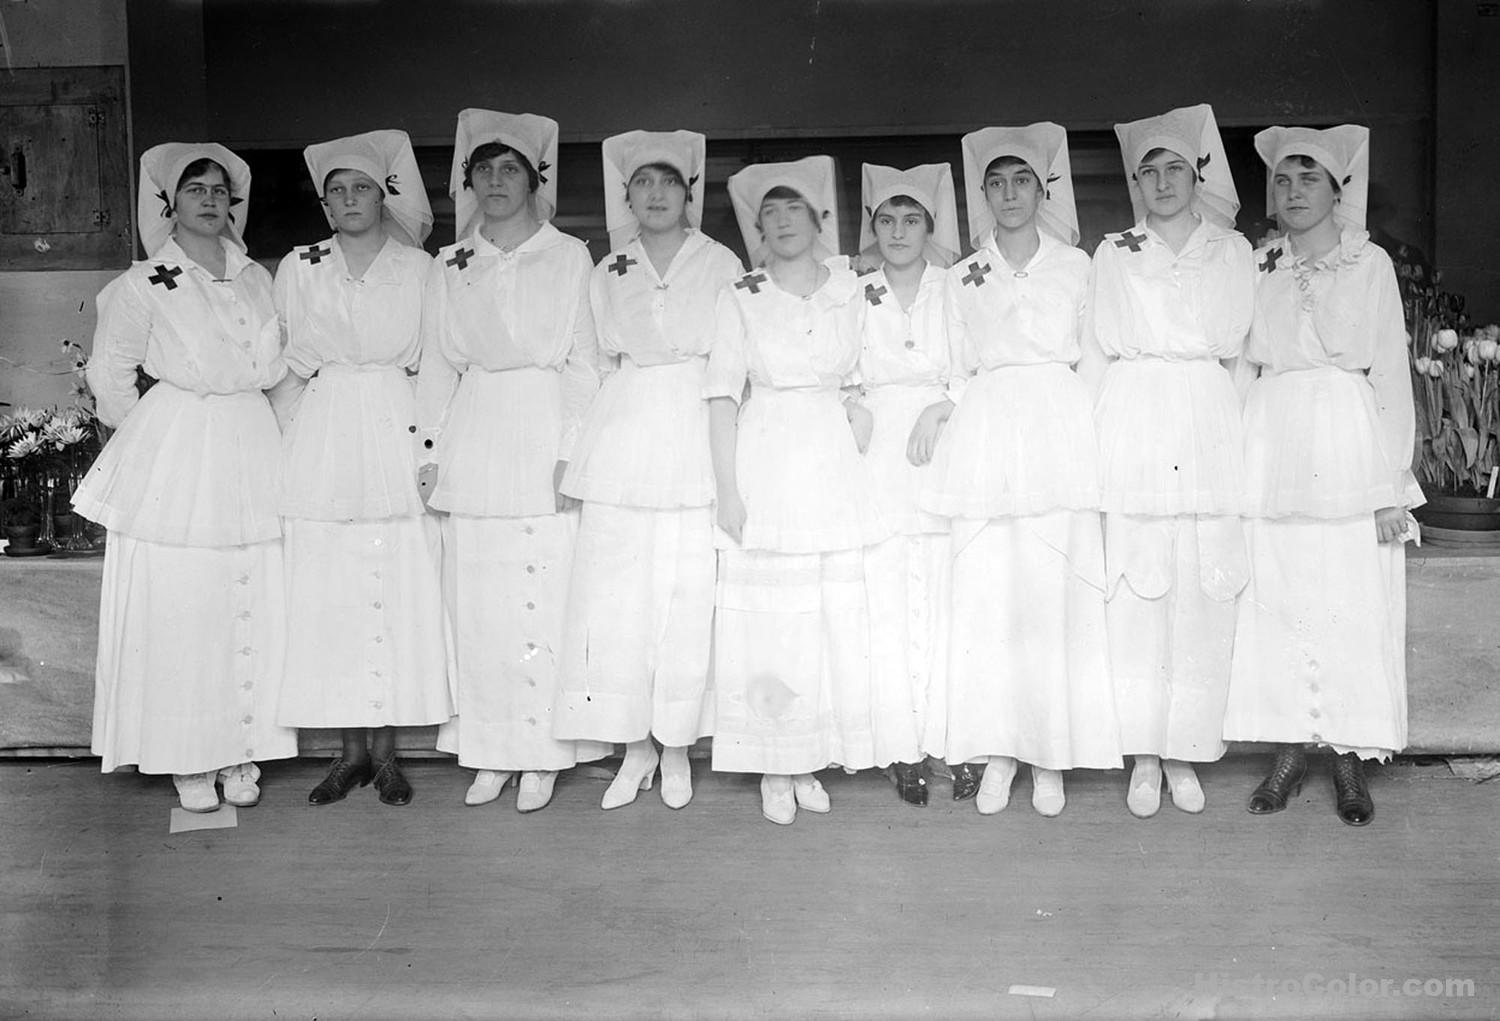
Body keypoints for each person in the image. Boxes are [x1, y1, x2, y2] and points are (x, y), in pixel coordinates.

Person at [75, 143, 297, 811]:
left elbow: (280, 369)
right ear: (169, 203)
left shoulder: (257, 278)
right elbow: (109, 374)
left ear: (233, 201)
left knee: (249, 596)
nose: (208, 198)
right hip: (182, 443)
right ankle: (188, 756)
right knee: (185, 607)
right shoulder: (146, 281)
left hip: (251, 438)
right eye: (193, 188)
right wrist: (156, 436)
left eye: (218, 188)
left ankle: (240, 748)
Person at [1224, 125, 1420, 826]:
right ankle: (1286, 748)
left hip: (1346, 437)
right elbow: (1242, 366)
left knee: (1347, 596)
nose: (1294, 191)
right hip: (1271, 439)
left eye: (1309, 178)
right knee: (1278, 592)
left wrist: (1391, 483)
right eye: (1282, 179)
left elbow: (1392, 377)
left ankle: (1346, 756)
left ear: (1339, 190)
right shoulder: (1257, 262)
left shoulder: (1369, 265)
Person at [924, 124, 1122, 816]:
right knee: (991, 596)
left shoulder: (1077, 265)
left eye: (1022, 182)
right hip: (987, 434)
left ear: (1045, 190)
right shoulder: (961, 275)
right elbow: (954, 366)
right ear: (982, 194)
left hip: (1057, 429)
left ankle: (1049, 753)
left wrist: (1087, 439)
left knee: (1050, 593)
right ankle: (1001, 748)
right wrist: (939, 410)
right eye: (996, 183)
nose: (1009, 195)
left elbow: (1095, 358)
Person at [417, 110, 608, 811]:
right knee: (480, 600)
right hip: (476, 430)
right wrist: (430, 452)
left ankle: (543, 754)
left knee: (542, 592)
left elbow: (586, 363)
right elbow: (437, 365)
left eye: (510, 170)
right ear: (466, 181)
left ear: (534, 181)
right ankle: (492, 748)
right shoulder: (451, 261)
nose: (496, 182)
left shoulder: (567, 256)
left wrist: (569, 452)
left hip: (541, 424)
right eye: (484, 170)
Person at [553, 131, 743, 810]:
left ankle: (678, 744)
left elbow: (734, 361)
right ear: (625, 195)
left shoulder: (721, 262)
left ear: (689, 191)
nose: (655, 195)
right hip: (624, 437)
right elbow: (590, 365)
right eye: (642, 184)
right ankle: (633, 746)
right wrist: (572, 452)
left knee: (686, 595)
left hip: (693, 431)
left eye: (668, 182)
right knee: (620, 599)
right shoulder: (610, 270)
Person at [1080, 104, 1255, 817]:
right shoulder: (1114, 251)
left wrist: (1235, 439)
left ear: (1197, 175)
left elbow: (1242, 360)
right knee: (1139, 582)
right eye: (1146, 171)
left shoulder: (1233, 251)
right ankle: (1144, 752)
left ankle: (1186, 748)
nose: (1160, 181)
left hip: (1207, 419)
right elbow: (1094, 355)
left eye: (1173, 168)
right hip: (1136, 416)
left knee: (1203, 586)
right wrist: (1093, 451)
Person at [271, 129, 451, 807]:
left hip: (394, 424)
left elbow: (435, 363)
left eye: (361, 188)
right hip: (326, 433)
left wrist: (429, 449)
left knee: (396, 585)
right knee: (336, 593)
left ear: (384, 196)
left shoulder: (419, 268)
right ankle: (348, 753)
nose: (348, 200)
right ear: (324, 204)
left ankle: (388, 754)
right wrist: (296, 443)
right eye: (336, 191)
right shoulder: (301, 265)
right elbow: (285, 367)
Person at [706, 156, 887, 824]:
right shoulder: (742, 295)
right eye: (770, 212)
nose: (784, 223)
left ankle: (810, 754)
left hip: (830, 461)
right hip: (767, 457)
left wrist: (858, 418)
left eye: (795, 210)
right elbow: (722, 396)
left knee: (823, 616)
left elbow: (864, 375)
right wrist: (729, 489)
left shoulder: (848, 290)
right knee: (771, 623)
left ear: (819, 219)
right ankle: (774, 764)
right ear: (759, 227)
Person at [851, 162, 961, 805]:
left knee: (942, 587)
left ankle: (950, 737)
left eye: (910, 219)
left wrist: (945, 404)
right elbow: (830, 362)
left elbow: (979, 360)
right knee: (887, 589)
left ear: (930, 226)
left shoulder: (958, 285)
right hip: (876, 447)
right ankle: (900, 745)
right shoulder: (854, 288)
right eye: (886, 220)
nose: (897, 231)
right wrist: (850, 403)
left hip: (943, 437)